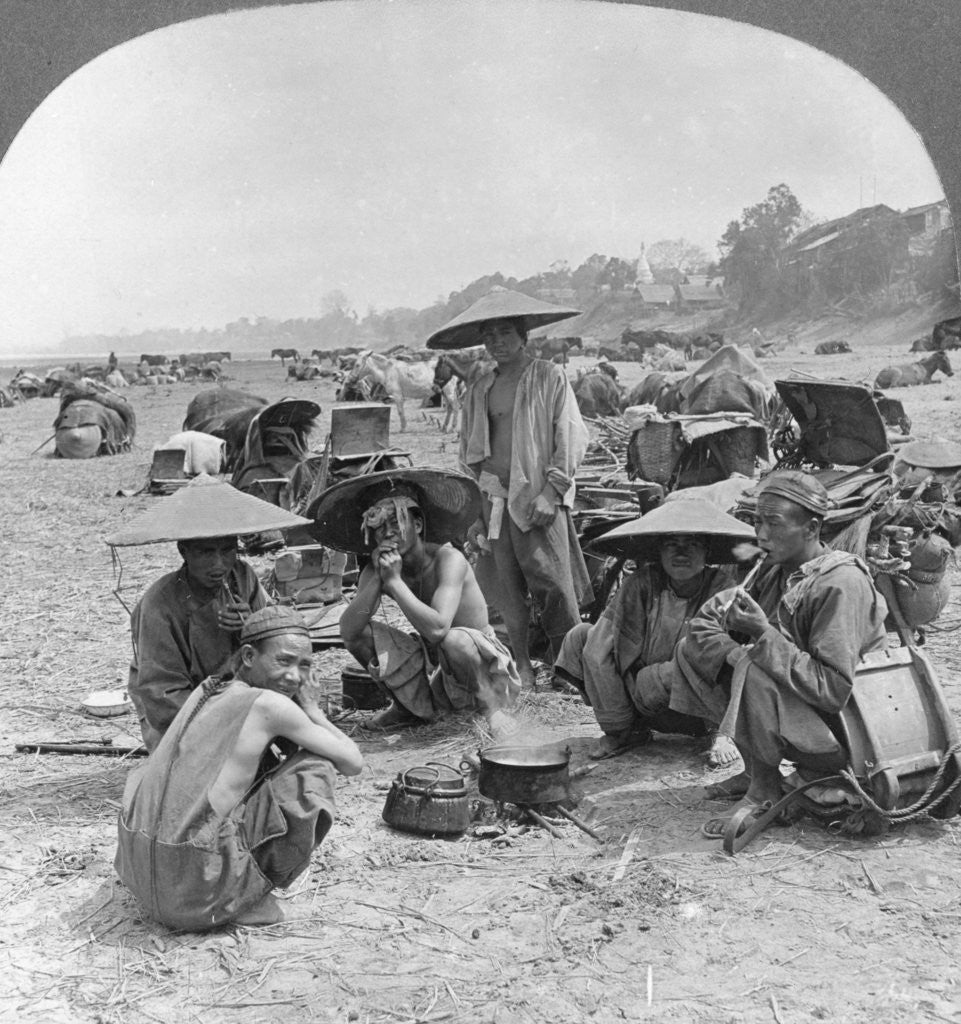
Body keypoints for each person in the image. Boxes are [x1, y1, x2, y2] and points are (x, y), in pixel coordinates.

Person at [666, 471, 889, 837]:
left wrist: (760, 635)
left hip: (850, 735)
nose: (761, 535)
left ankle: (765, 792)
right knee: (695, 651)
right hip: (809, 714)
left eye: (773, 523)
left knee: (755, 665)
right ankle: (755, 770)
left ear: (812, 528)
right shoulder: (774, 571)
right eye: (757, 522)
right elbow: (704, 621)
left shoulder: (839, 583)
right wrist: (733, 652)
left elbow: (832, 690)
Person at [115, 606, 364, 930]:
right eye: (283, 661)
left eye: (304, 666)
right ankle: (242, 901)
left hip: (146, 879)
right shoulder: (269, 706)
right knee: (316, 765)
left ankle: (226, 882)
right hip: (195, 897)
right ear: (248, 656)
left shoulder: (208, 690)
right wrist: (313, 709)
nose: (295, 677)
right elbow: (353, 762)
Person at [426, 287, 593, 688]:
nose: (497, 343)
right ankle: (522, 662)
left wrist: (552, 492)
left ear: (523, 336)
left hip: (536, 495)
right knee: (505, 584)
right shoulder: (481, 387)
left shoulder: (548, 376)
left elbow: (569, 435)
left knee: (551, 581)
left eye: (504, 333)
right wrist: (473, 507)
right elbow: (469, 449)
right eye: (489, 336)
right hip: (491, 496)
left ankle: (569, 667)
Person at [105, 474, 312, 751]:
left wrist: (252, 627)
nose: (219, 565)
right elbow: (162, 696)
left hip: (237, 694)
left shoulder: (242, 576)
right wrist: (230, 717)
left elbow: (276, 643)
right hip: (184, 712)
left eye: (227, 551)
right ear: (184, 551)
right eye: (205, 553)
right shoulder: (159, 605)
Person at [309, 468, 521, 738]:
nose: (389, 534)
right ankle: (407, 708)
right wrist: (377, 581)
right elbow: (349, 630)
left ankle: (493, 710)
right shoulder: (378, 570)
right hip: (438, 668)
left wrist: (395, 583)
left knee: (454, 639)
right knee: (361, 634)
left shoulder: (448, 560)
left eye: (396, 523)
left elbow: (438, 629)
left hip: (482, 665)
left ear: (417, 526)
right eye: (379, 528)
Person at [554, 498, 756, 758]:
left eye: (692, 544)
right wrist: (618, 719)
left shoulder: (722, 587)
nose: (681, 554)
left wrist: (660, 676)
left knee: (708, 655)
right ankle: (626, 733)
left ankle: (721, 734)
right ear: (659, 552)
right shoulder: (640, 584)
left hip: (696, 705)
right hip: (642, 698)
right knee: (581, 637)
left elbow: (726, 659)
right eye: (672, 544)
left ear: (707, 551)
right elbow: (597, 648)